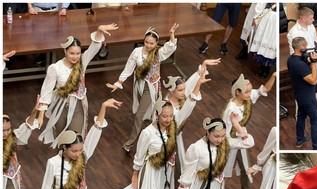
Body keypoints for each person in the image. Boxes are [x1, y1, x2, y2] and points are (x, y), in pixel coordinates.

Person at [36, 23, 119, 148]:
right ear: (65, 51)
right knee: (62, 141)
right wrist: (41, 116)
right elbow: (46, 92)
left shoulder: (82, 62)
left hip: (78, 107)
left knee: (76, 139)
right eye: (72, 53)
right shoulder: (55, 68)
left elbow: (94, 47)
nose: (75, 57)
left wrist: (99, 31)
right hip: (60, 107)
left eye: (78, 53)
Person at [106, 24, 179, 153]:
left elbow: (170, 47)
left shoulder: (158, 53)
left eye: (152, 43)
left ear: (156, 43)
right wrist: (118, 83)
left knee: (140, 115)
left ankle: (130, 143)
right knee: (150, 114)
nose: (148, 45)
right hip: (139, 86)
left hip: (152, 88)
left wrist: (172, 33)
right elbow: (129, 68)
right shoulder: (137, 52)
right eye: (146, 42)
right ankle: (155, 138)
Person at [221, 72, 276, 189]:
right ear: (237, 92)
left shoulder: (247, 98)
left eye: (250, 91)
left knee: (246, 167)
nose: (249, 94)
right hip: (230, 142)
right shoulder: (230, 109)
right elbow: (224, 131)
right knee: (222, 171)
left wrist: (273, 76)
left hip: (241, 140)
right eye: (247, 92)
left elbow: (265, 89)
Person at [162, 58, 221, 175]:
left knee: (180, 161)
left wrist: (203, 66)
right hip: (165, 138)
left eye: (183, 89)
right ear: (171, 91)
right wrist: (198, 86)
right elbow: (182, 115)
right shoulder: (167, 107)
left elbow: (189, 84)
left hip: (176, 134)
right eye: (180, 90)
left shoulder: (180, 95)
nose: (184, 92)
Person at [287, 37, 317, 150]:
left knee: (301, 116)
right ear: (301, 47)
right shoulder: (299, 64)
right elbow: (313, 80)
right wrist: (314, 63)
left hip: (299, 94)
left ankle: (300, 139)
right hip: (307, 97)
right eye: (305, 46)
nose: (306, 49)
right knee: (316, 121)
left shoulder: (291, 59)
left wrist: (309, 62)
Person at [287, 7, 317, 113]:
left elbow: (316, 41)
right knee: (302, 88)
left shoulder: (311, 26)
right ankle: (300, 112)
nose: (313, 20)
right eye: (311, 18)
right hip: (303, 64)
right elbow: (294, 53)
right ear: (303, 19)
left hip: (314, 60)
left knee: (314, 85)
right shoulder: (293, 33)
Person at [249, 3, 277, 78]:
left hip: (277, 19)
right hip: (268, 16)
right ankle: (261, 66)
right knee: (263, 40)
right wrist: (256, 16)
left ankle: (267, 68)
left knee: (272, 44)